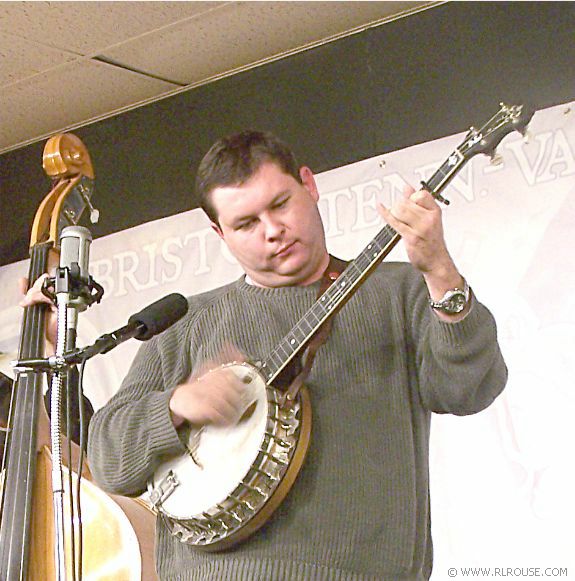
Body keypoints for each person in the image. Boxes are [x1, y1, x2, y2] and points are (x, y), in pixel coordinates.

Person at [86, 130, 507, 580]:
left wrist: (439, 270)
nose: (272, 232)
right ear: (219, 232)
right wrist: (175, 406)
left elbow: (470, 388)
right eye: (246, 224)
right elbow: (109, 461)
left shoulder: (399, 291)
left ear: (309, 184)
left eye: (281, 204)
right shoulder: (188, 322)